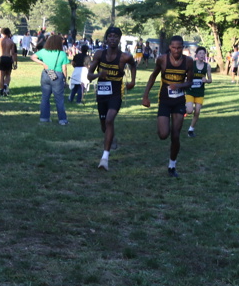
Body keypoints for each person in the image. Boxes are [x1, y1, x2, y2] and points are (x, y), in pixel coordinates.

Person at [142, 36, 194, 177]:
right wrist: (145, 96)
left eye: (179, 48)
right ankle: (165, 126)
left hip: (179, 101)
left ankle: (172, 165)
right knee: (163, 134)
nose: (176, 50)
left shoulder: (188, 61)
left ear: (183, 48)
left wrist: (179, 85)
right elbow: (153, 76)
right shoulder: (162, 60)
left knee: (175, 135)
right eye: (173, 47)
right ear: (170, 47)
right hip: (164, 100)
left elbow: (190, 82)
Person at [88, 27, 137, 170]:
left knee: (110, 120)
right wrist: (99, 75)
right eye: (110, 36)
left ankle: (104, 158)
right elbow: (89, 76)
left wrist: (133, 81)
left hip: (116, 93)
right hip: (102, 93)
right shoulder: (99, 54)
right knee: (104, 125)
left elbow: (133, 65)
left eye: (116, 36)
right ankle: (111, 137)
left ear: (119, 39)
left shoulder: (125, 57)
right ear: (106, 38)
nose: (113, 39)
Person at [32, 33, 69, 125]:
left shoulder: (44, 51)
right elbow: (64, 68)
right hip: (57, 75)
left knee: (45, 97)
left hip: (46, 73)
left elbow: (33, 57)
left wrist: (43, 63)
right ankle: (62, 119)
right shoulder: (62, 53)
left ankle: (44, 118)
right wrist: (65, 79)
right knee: (59, 99)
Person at [186, 46, 213, 138]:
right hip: (190, 91)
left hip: (200, 92)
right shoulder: (191, 64)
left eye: (203, 53)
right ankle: (183, 108)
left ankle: (191, 130)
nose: (202, 55)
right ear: (196, 55)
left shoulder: (207, 66)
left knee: (197, 112)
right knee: (190, 111)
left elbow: (210, 80)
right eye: (200, 53)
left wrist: (206, 80)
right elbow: (185, 75)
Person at [0, 27, 16, 96]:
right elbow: (13, 53)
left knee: (1, 76)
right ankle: (5, 85)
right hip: (8, 58)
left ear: (2, 33)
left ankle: (1, 91)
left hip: (1, 58)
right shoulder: (11, 42)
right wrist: (14, 62)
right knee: (8, 75)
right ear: (9, 33)